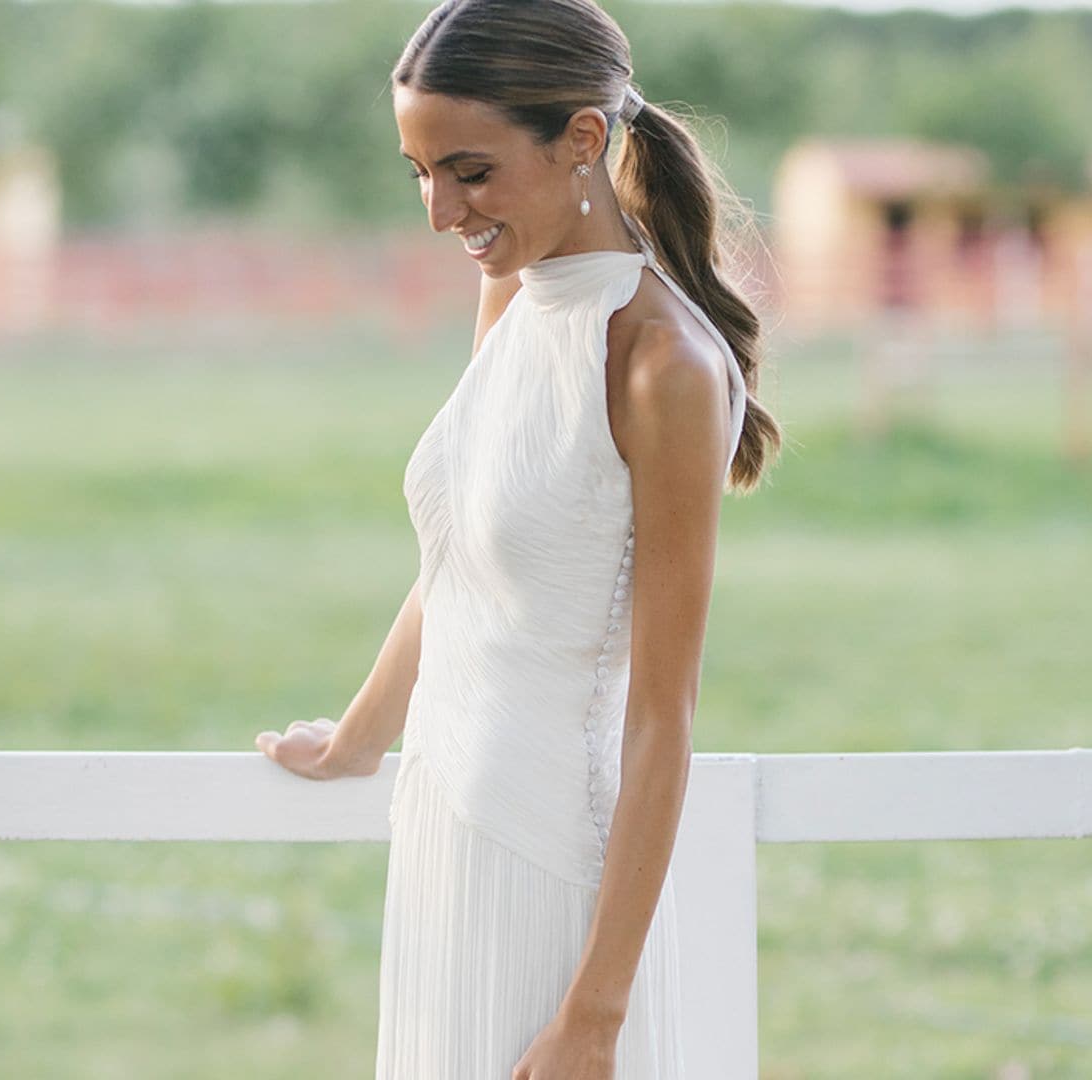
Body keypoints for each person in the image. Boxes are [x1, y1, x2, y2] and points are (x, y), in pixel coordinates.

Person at [255, 1, 784, 1075]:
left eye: (469, 171)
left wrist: (594, 1015)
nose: (440, 209)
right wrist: (360, 741)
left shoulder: (661, 366)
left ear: (581, 140)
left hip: (558, 874)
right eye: (417, 172)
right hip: (445, 834)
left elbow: (660, 717)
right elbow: (460, 563)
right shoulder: (513, 285)